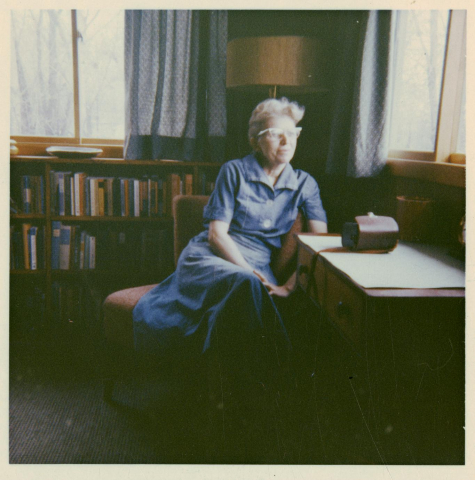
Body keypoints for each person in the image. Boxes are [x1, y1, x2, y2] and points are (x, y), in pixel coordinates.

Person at [133, 97, 327, 460]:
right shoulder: (234, 171)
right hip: (211, 258)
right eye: (275, 134)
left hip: (256, 268)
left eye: (292, 134)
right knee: (247, 286)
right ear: (256, 140)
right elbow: (216, 235)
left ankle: (242, 400)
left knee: (246, 292)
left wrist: (291, 285)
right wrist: (249, 272)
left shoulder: (305, 184)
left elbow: (319, 242)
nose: (286, 142)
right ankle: (278, 385)